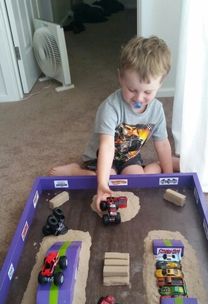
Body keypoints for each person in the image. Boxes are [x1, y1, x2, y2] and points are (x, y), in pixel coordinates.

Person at [49, 36, 179, 210]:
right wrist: (102, 185)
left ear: (160, 84)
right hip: (100, 156)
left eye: (147, 92)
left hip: (129, 156)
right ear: (121, 78)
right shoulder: (110, 107)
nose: (139, 98)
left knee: (136, 180)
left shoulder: (157, 110)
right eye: (132, 89)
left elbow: (162, 144)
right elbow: (107, 147)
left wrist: (168, 177)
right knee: (107, 178)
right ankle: (74, 170)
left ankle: (157, 167)